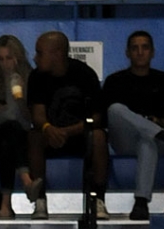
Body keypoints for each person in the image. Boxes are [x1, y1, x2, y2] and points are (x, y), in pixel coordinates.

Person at [27, 31, 109, 218]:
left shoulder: (85, 74)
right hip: (50, 135)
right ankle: (39, 200)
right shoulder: (36, 77)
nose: (35, 57)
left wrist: (67, 131)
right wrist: (49, 129)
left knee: (98, 136)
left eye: (40, 53)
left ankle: (97, 199)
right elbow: (37, 116)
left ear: (56, 54)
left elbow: (96, 118)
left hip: (79, 135)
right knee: (33, 136)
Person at [102, 30, 164, 221]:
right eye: (135, 48)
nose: (140, 52)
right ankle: (157, 133)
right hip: (125, 139)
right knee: (115, 108)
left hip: (156, 143)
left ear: (152, 52)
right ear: (127, 53)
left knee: (147, 142)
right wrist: (156, 128)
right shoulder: (114, 81)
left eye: (145, 47)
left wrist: (159, 123)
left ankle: (141, 202)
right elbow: (109, 118)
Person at [0, 35, 33, 220]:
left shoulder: (29, 77)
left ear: (18, 57)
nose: (5, 64)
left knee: (10, 139)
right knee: (8, 131)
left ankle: (5, 206)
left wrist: (20, 101)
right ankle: (26, 179)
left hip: (19, 137)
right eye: (0, 59)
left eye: (9, 58)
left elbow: (31, 120)